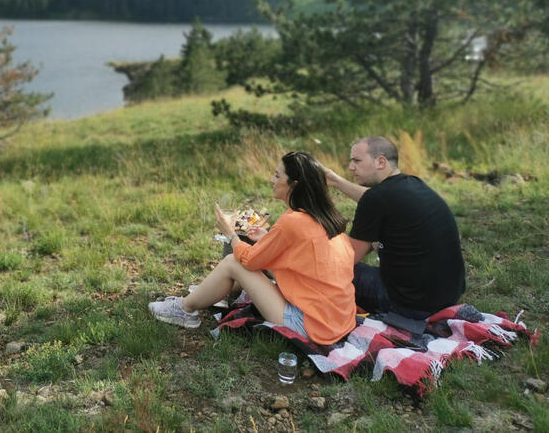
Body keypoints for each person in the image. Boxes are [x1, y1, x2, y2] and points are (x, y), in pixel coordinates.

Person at [148, 151, 356, 346]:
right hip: (339, 319)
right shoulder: (326, 217)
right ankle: (208, 292)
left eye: (277, 176)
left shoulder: (292, 221)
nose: (271, 181)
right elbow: (302, 256)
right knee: (257, 263)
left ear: (294, 184)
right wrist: (266, 238)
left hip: (311, 325)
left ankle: (186, 310)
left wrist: (230, 234)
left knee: (232, 263)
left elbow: (249, 261)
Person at [326, 136, 465, 320]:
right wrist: (335, 181)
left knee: (327, 271)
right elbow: (377, 199)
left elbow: (346, 261)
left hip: (408, 304)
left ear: (381, 162)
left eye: (357, 161)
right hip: (447, 297)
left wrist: (320, 238)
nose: (351, 167)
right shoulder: (413, 184)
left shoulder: (376, 199)